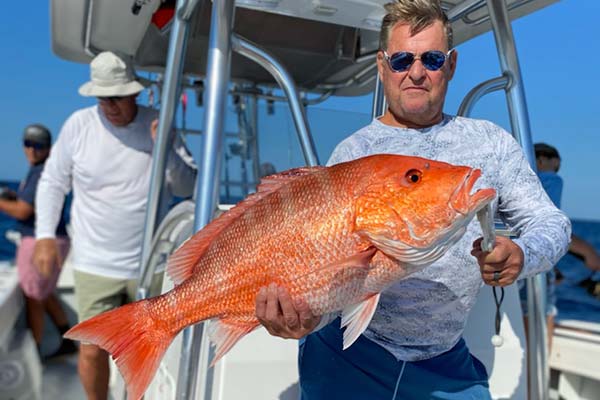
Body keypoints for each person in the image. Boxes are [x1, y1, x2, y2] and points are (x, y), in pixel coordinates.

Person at [254, 1, 571, 399]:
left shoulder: (489, 144)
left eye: (432, 59)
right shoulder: (353, 154)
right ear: (382, 66)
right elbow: (326, 275)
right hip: (347, 356)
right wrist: (303, 320)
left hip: (447, 363)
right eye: (402, 59)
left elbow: (552, 223)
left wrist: (523, 254)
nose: (416, 72)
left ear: (451, 65)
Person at [33, 51, 197, 400]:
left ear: (134, 93)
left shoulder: (159, 122)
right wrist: (45, 236)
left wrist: (163, 144)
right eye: (102, 98)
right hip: (95, 263)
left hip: (149, 264)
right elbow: (52, 183)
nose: (109, 105)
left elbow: (188, 187)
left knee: (149, 349)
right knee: (91, 348)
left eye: (117, 97)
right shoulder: (79, 125)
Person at [0, 124, 75, 359]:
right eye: (28, 144)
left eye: (38, 145)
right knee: (44, 293)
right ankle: (66, 338)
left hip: (39, 242)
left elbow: (23, 211)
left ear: (48, 148)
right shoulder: (41, 169)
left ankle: (34, 353)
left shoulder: (41, 171)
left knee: (34, 297)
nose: (32, 150)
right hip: (56, 240)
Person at [519, 143, 600, 349]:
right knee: (540, 319)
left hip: (511, 265)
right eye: (557, 164)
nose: (558, 170)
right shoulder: (549, 178)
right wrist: (589, 252)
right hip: (528, 271)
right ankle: (536, 378)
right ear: (544, 160)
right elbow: (548, 228)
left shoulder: (515, 182)